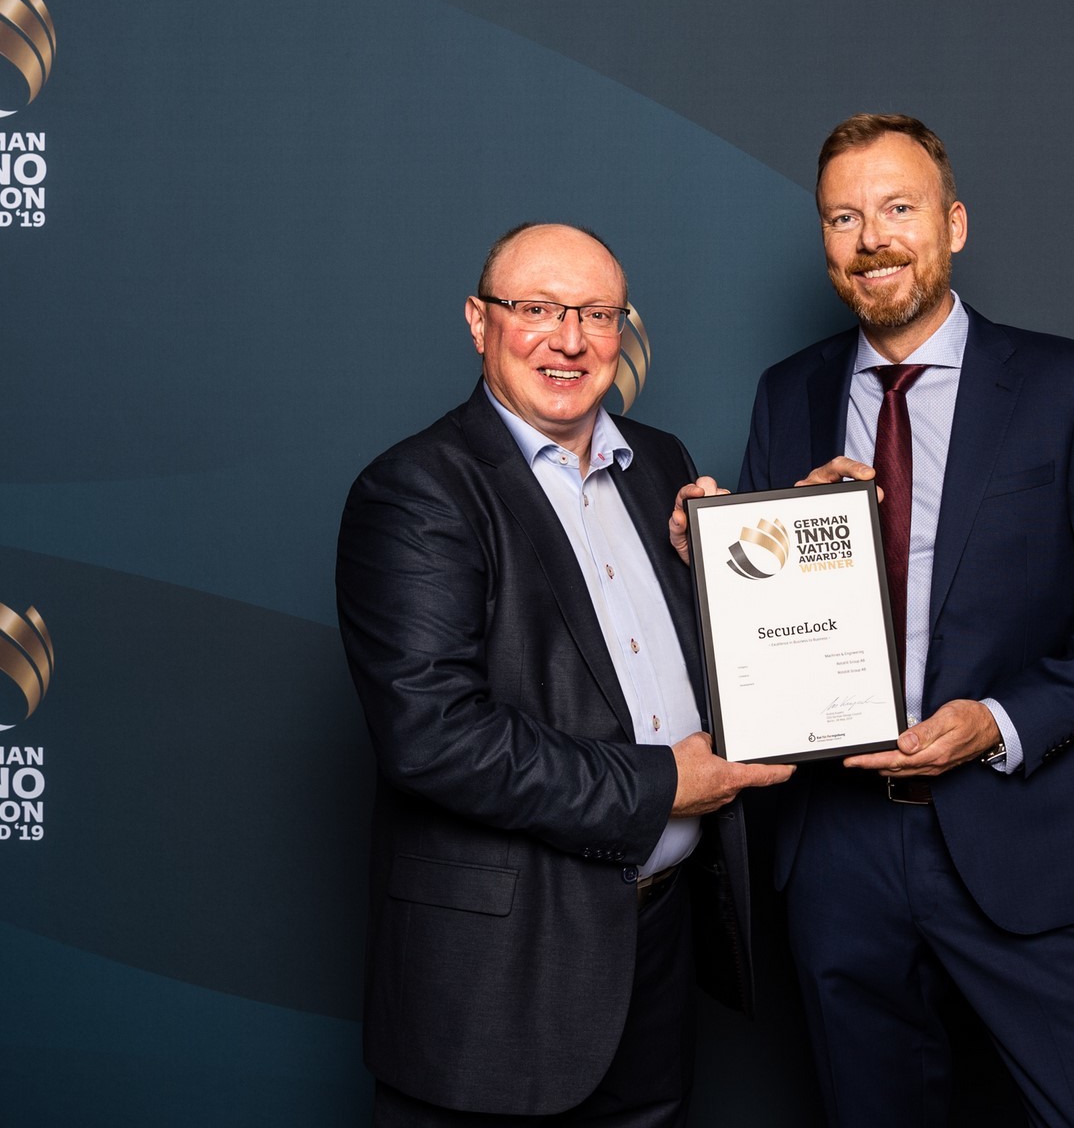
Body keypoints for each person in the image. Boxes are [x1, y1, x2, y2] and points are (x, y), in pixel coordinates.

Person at [737, 115, 1074, 1126]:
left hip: (1017, 837)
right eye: (844, 217)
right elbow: (759, 632)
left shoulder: (1066, 385)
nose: (873, 239)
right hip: (838, 849)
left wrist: (997, 721)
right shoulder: (789, 393)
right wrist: (741, 548)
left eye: (899, 208)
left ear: (954, 224)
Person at [337, 222, 793, 1126]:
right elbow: (433, 738)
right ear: (479, 322)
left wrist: (739, 568)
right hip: (502, 972)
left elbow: (663, 666)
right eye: (537, 309)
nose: (570, 340)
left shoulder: (660, 464)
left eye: (597, 314)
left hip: (657, 945)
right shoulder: (418, 489)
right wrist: (662, 785)